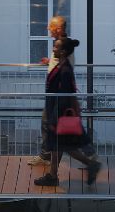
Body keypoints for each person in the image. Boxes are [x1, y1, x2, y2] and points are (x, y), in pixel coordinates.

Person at [34, 37, 102, 187]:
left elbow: (63, 96)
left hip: (59, 115)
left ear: (63, 51)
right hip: (58, 113)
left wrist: (54, 119)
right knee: (59, 146)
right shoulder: (62, 66)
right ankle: (53, 176)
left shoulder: (64, 70)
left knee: (66, 147)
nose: (53, 49)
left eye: (56, 47)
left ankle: (90, 164)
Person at [28, 14, 69, 166]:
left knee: (52, 125)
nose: (48, 28)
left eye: (50, 26)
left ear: (58, 29)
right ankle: (46, 157)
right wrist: (49, 61)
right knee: (47, 123)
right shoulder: (60, 43)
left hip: (58, 93)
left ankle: (50, 163)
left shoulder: (62, 45)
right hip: (54, 92)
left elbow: (64, 67)